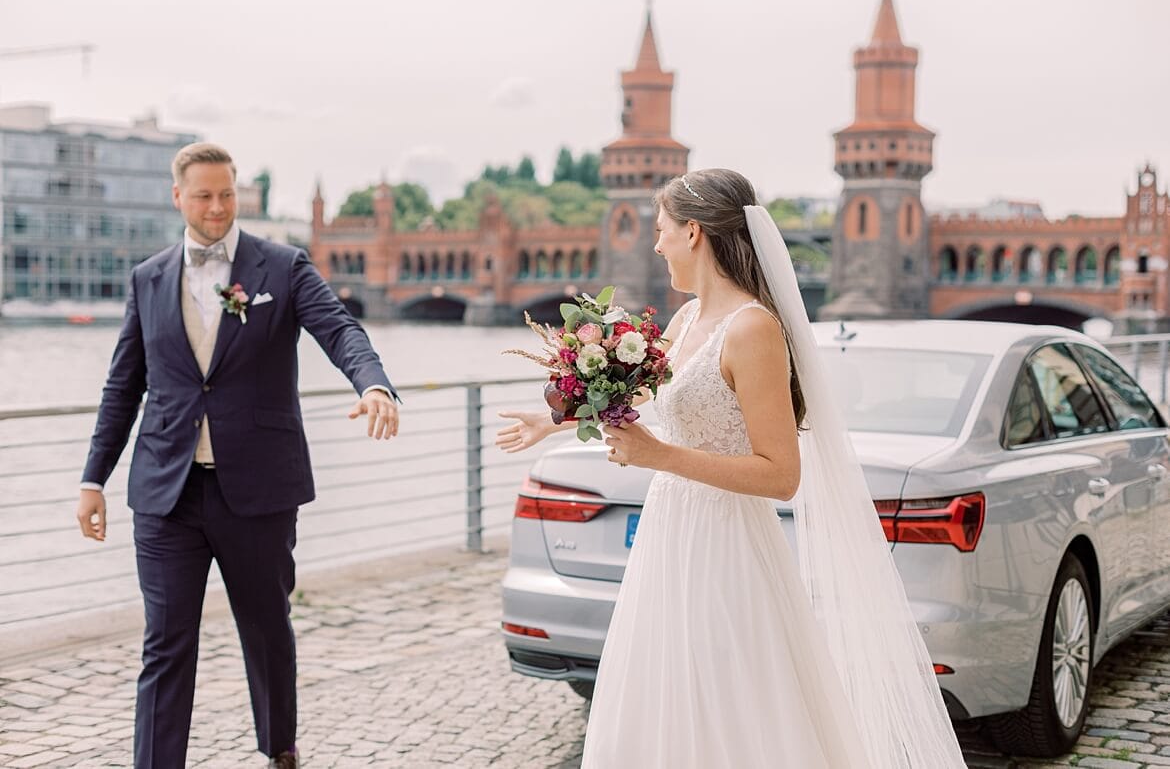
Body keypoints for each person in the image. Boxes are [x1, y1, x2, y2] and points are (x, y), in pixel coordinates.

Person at [495, 169, 965, 767]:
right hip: (669, 534)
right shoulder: (687, 321)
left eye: (663, 231)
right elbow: (642, 398)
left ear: (694, 233)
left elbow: (780, 474)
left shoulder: (753, 329)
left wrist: (661, 456)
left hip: (727, 546)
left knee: (732, 699)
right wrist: (551, 420)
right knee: (665, 690)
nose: (656, 244)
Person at [75, 142, 400, 769]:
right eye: (203, 195)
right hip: (167, 495)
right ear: (179, 198)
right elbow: (124, 385)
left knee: (266, 630)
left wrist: (374, 384)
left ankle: (280, 747)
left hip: (258, 493)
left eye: (227, 193)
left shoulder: (282, 266)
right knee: (166, 644)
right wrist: (93, 478)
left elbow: (340, 330)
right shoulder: (148, 278)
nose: (217, 206)